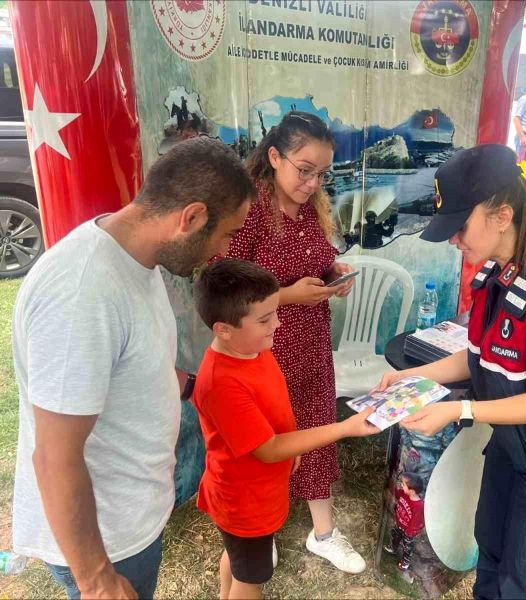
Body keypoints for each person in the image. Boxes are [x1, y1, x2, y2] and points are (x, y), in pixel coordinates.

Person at [11, 137, 254, 599]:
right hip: (107, 541)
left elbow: (144, 371)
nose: (222, 250)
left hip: (133, 519)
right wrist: (96, 578)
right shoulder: (82, 292)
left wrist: (213, 391)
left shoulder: (136, 263)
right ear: (192, 218)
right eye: (225, 234)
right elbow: (55, 456)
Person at [376, 144, 526, 599]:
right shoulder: (496, 278)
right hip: (511, 450)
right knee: (490, 557)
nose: (454, 239)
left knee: (520, 584)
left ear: (502, 216)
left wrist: (459, 410)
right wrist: (414, 376)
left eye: (460, 226)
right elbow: (476, 357)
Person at [224, 111, 366, 573]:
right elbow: (225, 287)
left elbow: (313, 263)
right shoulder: (248, 211)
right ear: (274, 157)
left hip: (311, 340)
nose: (312, 182)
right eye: (305, 170)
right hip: (264, 347)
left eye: (321, 173)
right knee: (268, 439)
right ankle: (258, 530)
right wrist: (286, 295)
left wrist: (332, 274)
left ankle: (322, 532)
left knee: (317, 428)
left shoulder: (309, 209)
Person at [190, 259, 378, 599]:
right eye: (265, 319)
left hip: (255, 490)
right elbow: (269, 447)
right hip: (245, 502)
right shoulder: (221, 382)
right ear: (223, 329)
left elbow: (272, 423)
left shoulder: (252, 348)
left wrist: (289, 454)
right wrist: (344, 427)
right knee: (251, 578)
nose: (277, 323)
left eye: (275, 312)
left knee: (238, 559)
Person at [384, 471, 426, 572]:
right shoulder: (405, 494)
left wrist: (409, 533)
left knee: (407, 546)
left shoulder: (418, 506)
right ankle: (393, 548)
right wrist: (391, 485)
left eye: (403, 484)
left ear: (412, 491)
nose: (401, 485)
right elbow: (397, 494)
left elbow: (416, 521)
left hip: (409, 531)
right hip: (399, 524)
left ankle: (405, 562)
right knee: (395, 535)